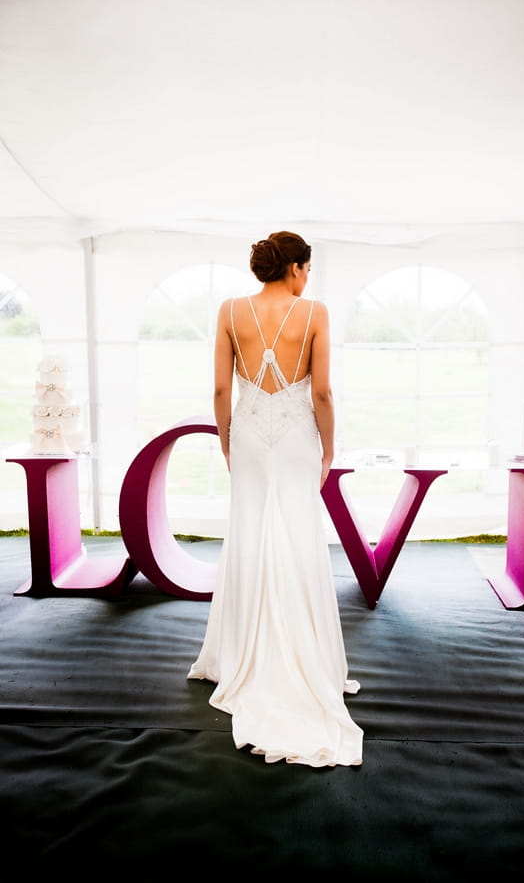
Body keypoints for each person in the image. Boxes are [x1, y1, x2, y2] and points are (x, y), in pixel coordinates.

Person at [188, 231, 363, 767]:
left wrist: (226, 440)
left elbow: (221, 391)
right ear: (293, 268)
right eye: (307, 268)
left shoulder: (229, 309)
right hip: (293, 438)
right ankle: (302, 659)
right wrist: (329, 451)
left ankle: (242, 653)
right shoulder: (314, 312)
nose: (309, 278)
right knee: (296, 535)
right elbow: (323, 392)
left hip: (248, 432)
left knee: (247, 534)